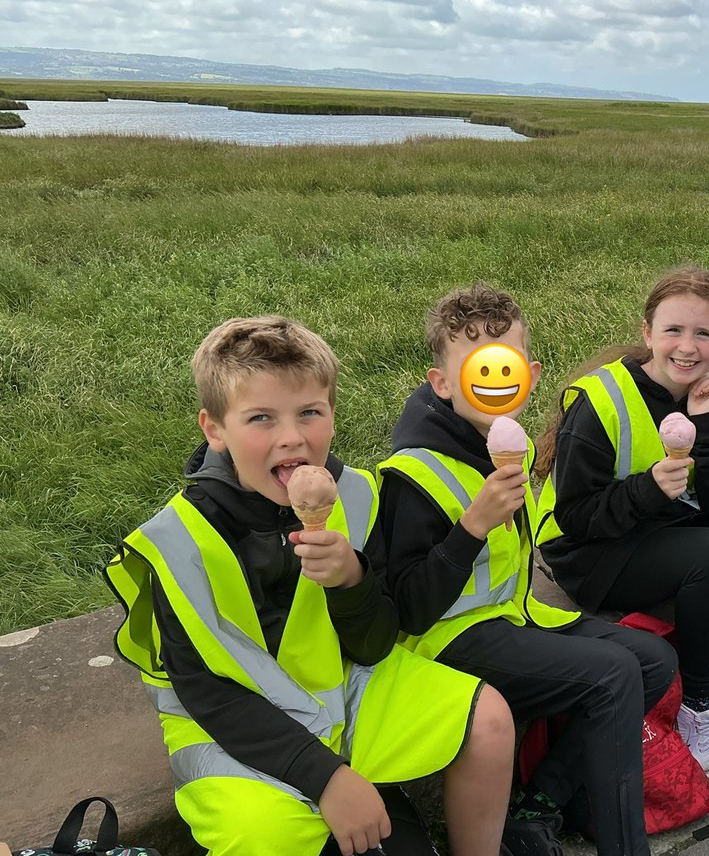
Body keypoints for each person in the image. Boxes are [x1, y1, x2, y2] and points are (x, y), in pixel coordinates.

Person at [105, 316, 514, 856]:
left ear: (333, 416)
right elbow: (204, 691)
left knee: (489, 720)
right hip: (232, 733)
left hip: (343, 693)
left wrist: (352, 581)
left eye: (309, 413)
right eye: (261, 418)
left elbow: (374, 644)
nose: (292, 437)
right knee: (267, 836)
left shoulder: (355, 495)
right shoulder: (178, 541)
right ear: (215, 429)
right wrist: (325, 776)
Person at [376, 283, 677, 856]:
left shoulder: (501, 446)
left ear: (530, 375)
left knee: (653, 661)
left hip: (512, 615)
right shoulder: (412, 473)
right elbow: (408, 609)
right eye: (476, 368)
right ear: (442, 383)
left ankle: (537, 805)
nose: (494, 380)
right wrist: (472, 526)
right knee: (613, 673)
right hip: (446, 638)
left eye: (506, 365)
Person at [535, 266, 709, 779]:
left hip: (664, 527)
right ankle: (696, 704)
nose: (687, 347)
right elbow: (575, 515)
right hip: (588, 551)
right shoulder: (601, 399)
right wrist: (648, 488)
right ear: (648, 332)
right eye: (673, 330)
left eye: (704, 334)